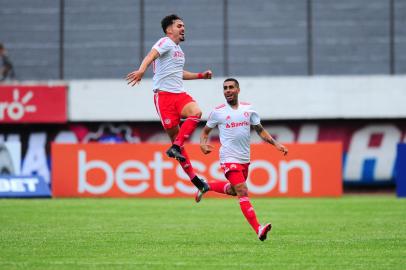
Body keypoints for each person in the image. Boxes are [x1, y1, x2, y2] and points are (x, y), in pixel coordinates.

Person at [126, 14, 211, 192]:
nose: (183, 28)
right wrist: (141, 71)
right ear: (169, 29)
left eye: (184, 25)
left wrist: (200, 76)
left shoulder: (178, 50)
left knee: (196, 113)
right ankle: (197, 182)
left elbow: (178, 73)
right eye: (179, 25)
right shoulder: (165, 42)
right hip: (164, 98)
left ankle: (174, 147)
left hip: (179, 95)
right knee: (178, 142)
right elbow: (150, 55)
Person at [198, 78, 288, 241]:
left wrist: (276, 144)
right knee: (242, 190)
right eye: (225, 88)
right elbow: (205, 132)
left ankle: (206, 185)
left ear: (238, 90)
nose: (228, 90)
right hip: (228, 157)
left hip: (244, 159)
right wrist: (203, 144)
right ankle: (258, 229)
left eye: (231, 87)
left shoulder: (249, 109)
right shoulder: (218, 112)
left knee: (234, 190)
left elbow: (260, 131)